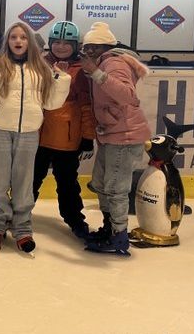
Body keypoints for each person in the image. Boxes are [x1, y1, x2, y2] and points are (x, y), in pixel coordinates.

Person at [0, 22, 71, 256]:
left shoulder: (41, 68)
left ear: (30, 42)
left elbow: (51, 103)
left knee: (24, 183)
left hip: (28, 132)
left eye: (23, 37)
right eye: (13, 37)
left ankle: (23, 227)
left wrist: (61, 78)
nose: (18, 41)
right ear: (7, 41)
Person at [80, 22, 151, 256]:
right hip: (112, 134)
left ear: (107, 46)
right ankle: (109, 228)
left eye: (95, 46)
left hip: (125, 136)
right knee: (101, 184)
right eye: (87, 46)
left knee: (116, 189)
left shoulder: (113, 63)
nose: (90, 51)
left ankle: (119, 237)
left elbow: (127, 95)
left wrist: (98, 74)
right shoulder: (101, 63)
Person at [33, 21, 96, 240]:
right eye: (56, 42)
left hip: (67, 138)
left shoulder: (81, 70)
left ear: (75, 45)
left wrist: (88, 137)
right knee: (30, 179)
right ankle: (18, 213)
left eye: (66, 43)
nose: (60, 47)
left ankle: (74, 219)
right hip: (39, 135)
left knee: (67, 182)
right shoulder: (40, 63)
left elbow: (87, 106)